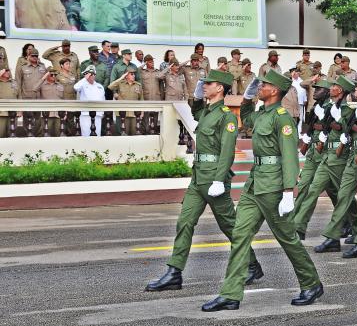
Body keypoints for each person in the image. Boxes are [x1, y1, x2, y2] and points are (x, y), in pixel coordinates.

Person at [204, 70, 323, 311]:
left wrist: (289, 191)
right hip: (254, 182)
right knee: (239, 235)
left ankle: (311, 283)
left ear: (275, 91)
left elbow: (290, 156)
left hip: (273, 186)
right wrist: (247, 98)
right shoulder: (262, 114)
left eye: (264, 85)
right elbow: (246, 118)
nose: (260, 87)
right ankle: (230, 294)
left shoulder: (282, 118)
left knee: (287, 237)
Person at [146, 69, 263, 293]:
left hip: (214, 178)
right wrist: (197, 96)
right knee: (184, 222)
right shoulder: (207, 112)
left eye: (209, 84)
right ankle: (174, 272)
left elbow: (228, 151)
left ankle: (251, 264)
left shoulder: (226, 116)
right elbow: (196, 109)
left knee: (230, 226)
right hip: (198, 177)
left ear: (220, 88)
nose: (205, 86)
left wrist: (220, 179)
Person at [313, 77, 357, 252]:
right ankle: (333, 237)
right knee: (343, 197)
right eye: (355, 86)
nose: (356, 89)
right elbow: (348, 130)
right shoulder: (355, 110)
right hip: (352, 158)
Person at [293, 76, 356, 239]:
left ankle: (355, 223)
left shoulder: (343, 110)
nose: (315, 91)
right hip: (316, 152)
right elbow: (312, 127)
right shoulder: (316, 108)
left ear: (329, 92)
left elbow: (342, 129)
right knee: (306, 187)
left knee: (339, 192)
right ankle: (296, 225)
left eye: (320, 89)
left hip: (332, 154)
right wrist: (307, 138)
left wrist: (326, 119)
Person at [16, 47, 47, 136]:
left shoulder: (42, 66)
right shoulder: (22, 67)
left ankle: (38, 136)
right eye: (33, 56)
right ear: (28, 56)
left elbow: (45, 82)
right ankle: (28, 137)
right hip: (27, 97)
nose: (35, 57)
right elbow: (18, 83)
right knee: (28, 119)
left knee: (38, 119)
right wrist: (20, 99)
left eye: (36, 56)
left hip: (39, 97)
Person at [108, 67, 143, 135]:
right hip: (122, 114)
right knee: (122, 135)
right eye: (131, 74)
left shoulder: (138, 85)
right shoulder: (120, 84)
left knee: (134, 134)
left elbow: (141, 99)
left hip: (134, 114)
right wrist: (121, 78)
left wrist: (142, 112)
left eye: (134, 74)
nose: (134, 75)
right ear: (126, 75)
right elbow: (110, 87)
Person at [74, 65, 106, 136]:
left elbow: (103, 99)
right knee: (86, 135)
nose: (90, 76)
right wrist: (85, 78)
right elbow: (75, 87)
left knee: (97, 135)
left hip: (97, 114)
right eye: (88, 74)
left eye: (92, 74)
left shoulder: (99, 86)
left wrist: (102, 112)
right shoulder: (82, 85)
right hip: (86, 114)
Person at [0, 69, 19, 137]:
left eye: (8, 70)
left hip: (14, 112)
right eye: (6, 71)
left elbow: (19, 95)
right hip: (2, 113)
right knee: (1, 133)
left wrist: (20, 110)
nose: (8, 72)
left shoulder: (14, 82)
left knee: (12, 134)